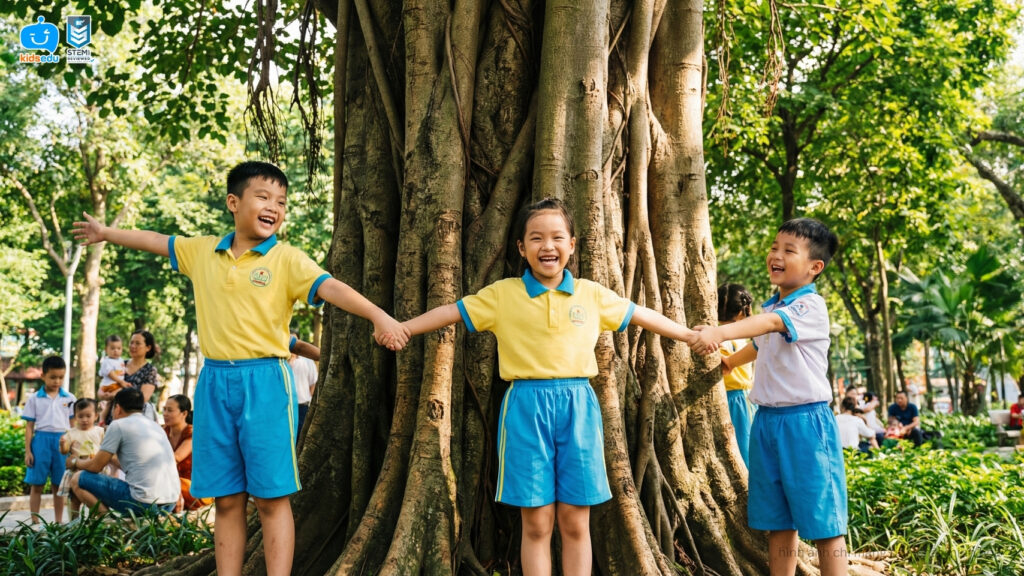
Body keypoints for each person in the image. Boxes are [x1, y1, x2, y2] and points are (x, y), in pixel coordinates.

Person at [73, 160, 407, 576]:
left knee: (270, 497)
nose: (274, 207)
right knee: (228, 499)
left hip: (265, 383)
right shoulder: (202, 251)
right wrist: (106, 234)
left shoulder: (287, 259)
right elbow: (156, 240)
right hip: (214, 383)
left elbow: (332, 287)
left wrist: (380, 317)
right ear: (234, 202)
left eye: (282, 202)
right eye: (263, 197)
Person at [395, 198, 699, 576]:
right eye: (536, 238)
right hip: (526, 408)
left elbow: (639, 313)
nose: (547, 246)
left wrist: (688, 335)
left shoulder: (591, 294)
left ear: (572, 244)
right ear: (522, 248)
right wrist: (404, 327)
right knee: (537, 522)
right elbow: (454, 311)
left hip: (580, 408)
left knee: (575, 520)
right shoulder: (503, 294)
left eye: (557, 237)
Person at [693, 218, 847, 576]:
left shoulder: (808, 307)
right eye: (775, 247)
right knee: (778, 520)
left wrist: (718, 331)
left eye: (788, 251)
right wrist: (729, 362)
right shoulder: (772, 307)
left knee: (825, 522)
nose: (776, 255)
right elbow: (760, 343)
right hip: (766, 422)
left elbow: (770, 327)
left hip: (806, 424)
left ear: (815, 267)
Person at [69, 388, 180, 515]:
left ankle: (108, 524)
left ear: (117, 408)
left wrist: (75, 462)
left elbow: (95, 467)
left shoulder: (118, 425)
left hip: (142, 503)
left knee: (77, 478)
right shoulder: (155, 426)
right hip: (170, 503)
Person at [22, 356, 76, 524]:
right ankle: (35, 523)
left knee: (59, 487)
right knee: (37, 485)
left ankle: (59, 523)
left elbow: (73, 427)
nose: (57, 381)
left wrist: (73, 451)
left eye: (61, 377)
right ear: (43, 376)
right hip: (41, 443)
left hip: (62, 442)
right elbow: (29, 427)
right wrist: (28, 451)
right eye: (53, 377)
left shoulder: (69, 398)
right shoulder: (34, 399)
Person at [717, 283, 756, 467]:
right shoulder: (742, 337)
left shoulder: (714, 333)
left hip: (720, 398)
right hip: (740, 400)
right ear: (743, 310)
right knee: (746, 449)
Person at [164, 394, 212, 511]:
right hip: (170, 485)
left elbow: (175, 459)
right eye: (164, 409)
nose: (165, 413)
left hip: (195, 489)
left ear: (184, 413)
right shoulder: (162, 432)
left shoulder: (193, 433)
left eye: (170, 410)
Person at [100, 330, 159, 425]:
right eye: (131, 342)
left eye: (137, 343)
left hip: (134, 422)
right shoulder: (120, 364)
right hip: (112, 419)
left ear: (148, 347)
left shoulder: (150, 370)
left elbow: (143, 398)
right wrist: (103, 394)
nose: (133, 346)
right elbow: (105, 384)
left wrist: (115, 395)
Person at [60, 398, 105, 519]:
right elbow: (64, 451)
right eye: (80, 416)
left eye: (88, 416)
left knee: (93, 498)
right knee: (75, 499)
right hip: (76, 468)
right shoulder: (71, 433)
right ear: (75, 417)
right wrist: (62, 444)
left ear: (96, 416)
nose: (84, 419)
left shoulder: (100, 432)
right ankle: (74, 522)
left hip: (94, 468)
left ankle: (93, 521)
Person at [288, 334, 319, 440]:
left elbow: (313, 384)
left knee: (301, 436)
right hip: (286, 406)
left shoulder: (307, 361)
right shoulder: (281, 361)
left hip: (302, 406)